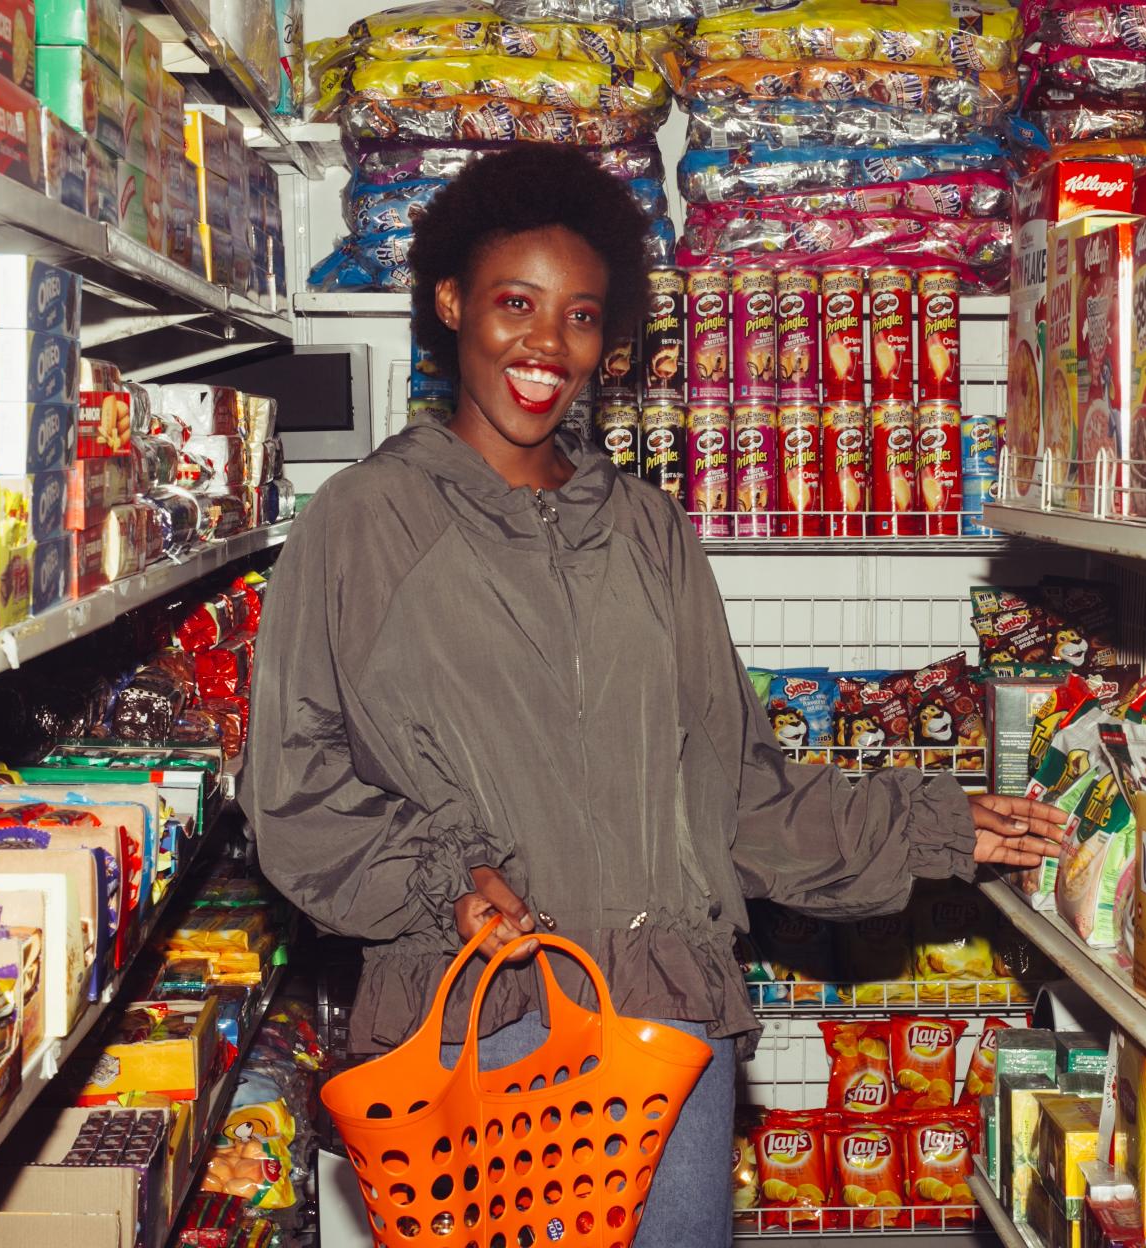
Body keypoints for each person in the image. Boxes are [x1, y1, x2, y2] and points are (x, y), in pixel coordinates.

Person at [242, 144, 1065, 1247]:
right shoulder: (360, 524)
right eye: (516, 304)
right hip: (477, 1031)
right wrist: (444, 874)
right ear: (450, 303)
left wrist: (938, 822)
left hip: (665, 1032)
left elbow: (735, 794)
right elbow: (291, 792)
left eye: (580, 317)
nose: (547, 346)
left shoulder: (648, 531)